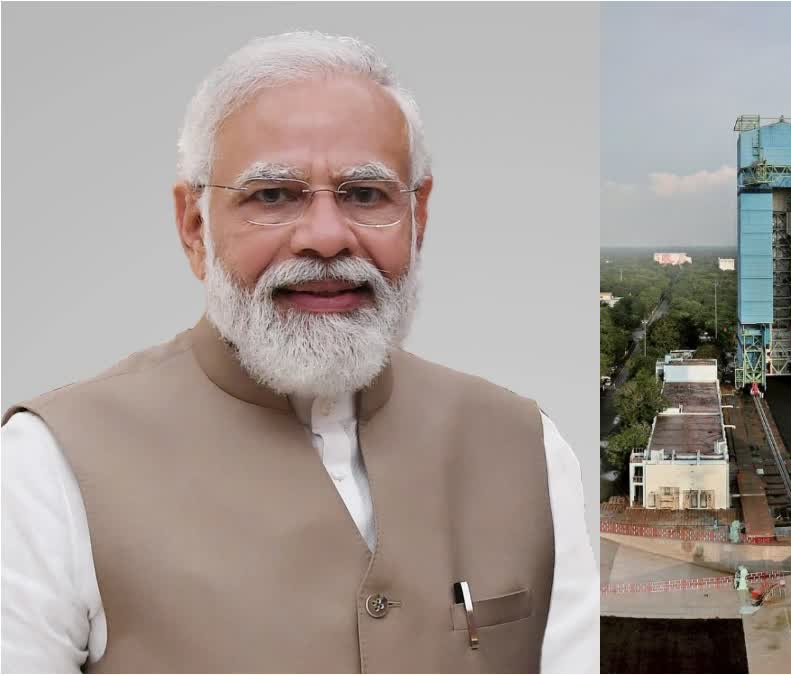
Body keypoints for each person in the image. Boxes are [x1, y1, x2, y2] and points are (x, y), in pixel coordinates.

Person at [1, 31, 598, 673]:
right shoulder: (47, 470)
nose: (324, 238)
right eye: (272, 195)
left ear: (418, 218)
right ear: (194, 227)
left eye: (365, 195)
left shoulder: (525, 448)